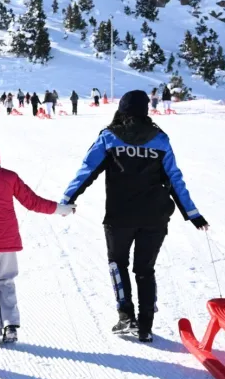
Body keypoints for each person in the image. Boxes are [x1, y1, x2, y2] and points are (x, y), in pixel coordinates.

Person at [60, 90, 209, 343]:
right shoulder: (160, 139)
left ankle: (126, 316)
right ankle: (146, 326)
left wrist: (67, 199)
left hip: (119, 216)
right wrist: (193, 215)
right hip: (155, 217)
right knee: (145, 269)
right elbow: (175, 180)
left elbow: (87, 170)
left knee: (118, 263)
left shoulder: (109, 137)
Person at [0, 139, 75, 347]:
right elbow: (33, 201)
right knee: (6, 281)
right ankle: (10, 324)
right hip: (7, 239)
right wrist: (60, 209)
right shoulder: (9, 177)